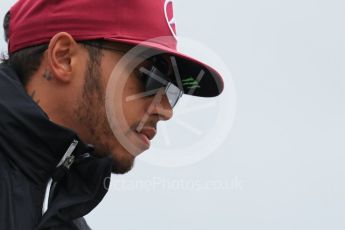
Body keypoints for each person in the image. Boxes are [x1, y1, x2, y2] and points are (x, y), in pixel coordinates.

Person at [0, 0, 224, 229]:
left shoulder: (63, 214)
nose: (166, 110)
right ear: (64, 57)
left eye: (172, 90)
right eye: (152, 76)